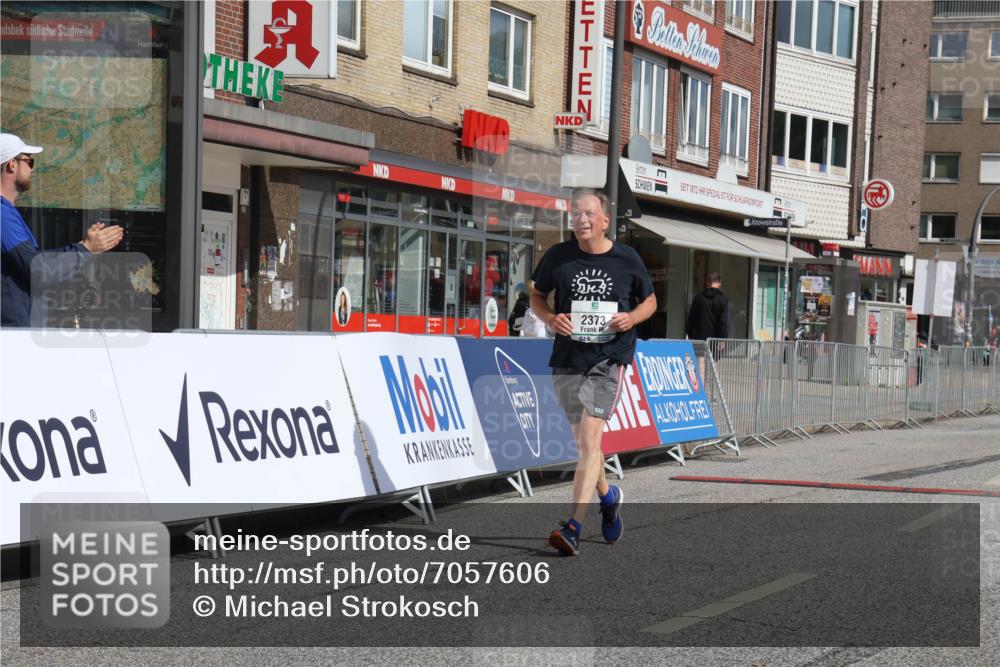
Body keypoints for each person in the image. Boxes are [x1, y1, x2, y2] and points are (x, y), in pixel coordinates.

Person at [531, 189, 656, 556]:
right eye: (575, 215)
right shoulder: (559, 256)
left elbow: (649, 301)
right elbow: (537, 296)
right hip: (568, 356)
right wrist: (551, 318)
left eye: (588, 214)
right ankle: (608, 496)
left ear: (604, 220)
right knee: (587, 445)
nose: (581, 220)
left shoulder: (626, 258)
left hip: (608, 357)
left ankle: (573, 527)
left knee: (589, 438)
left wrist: (631, 317)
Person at [1, 133, 123, 327]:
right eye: (29, 162)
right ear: (11, 164)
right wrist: (83, 251)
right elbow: (37, 269)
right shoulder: (1, 214)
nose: (32, 169)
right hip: (11, 338)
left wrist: (83, 248)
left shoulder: (6, 212)